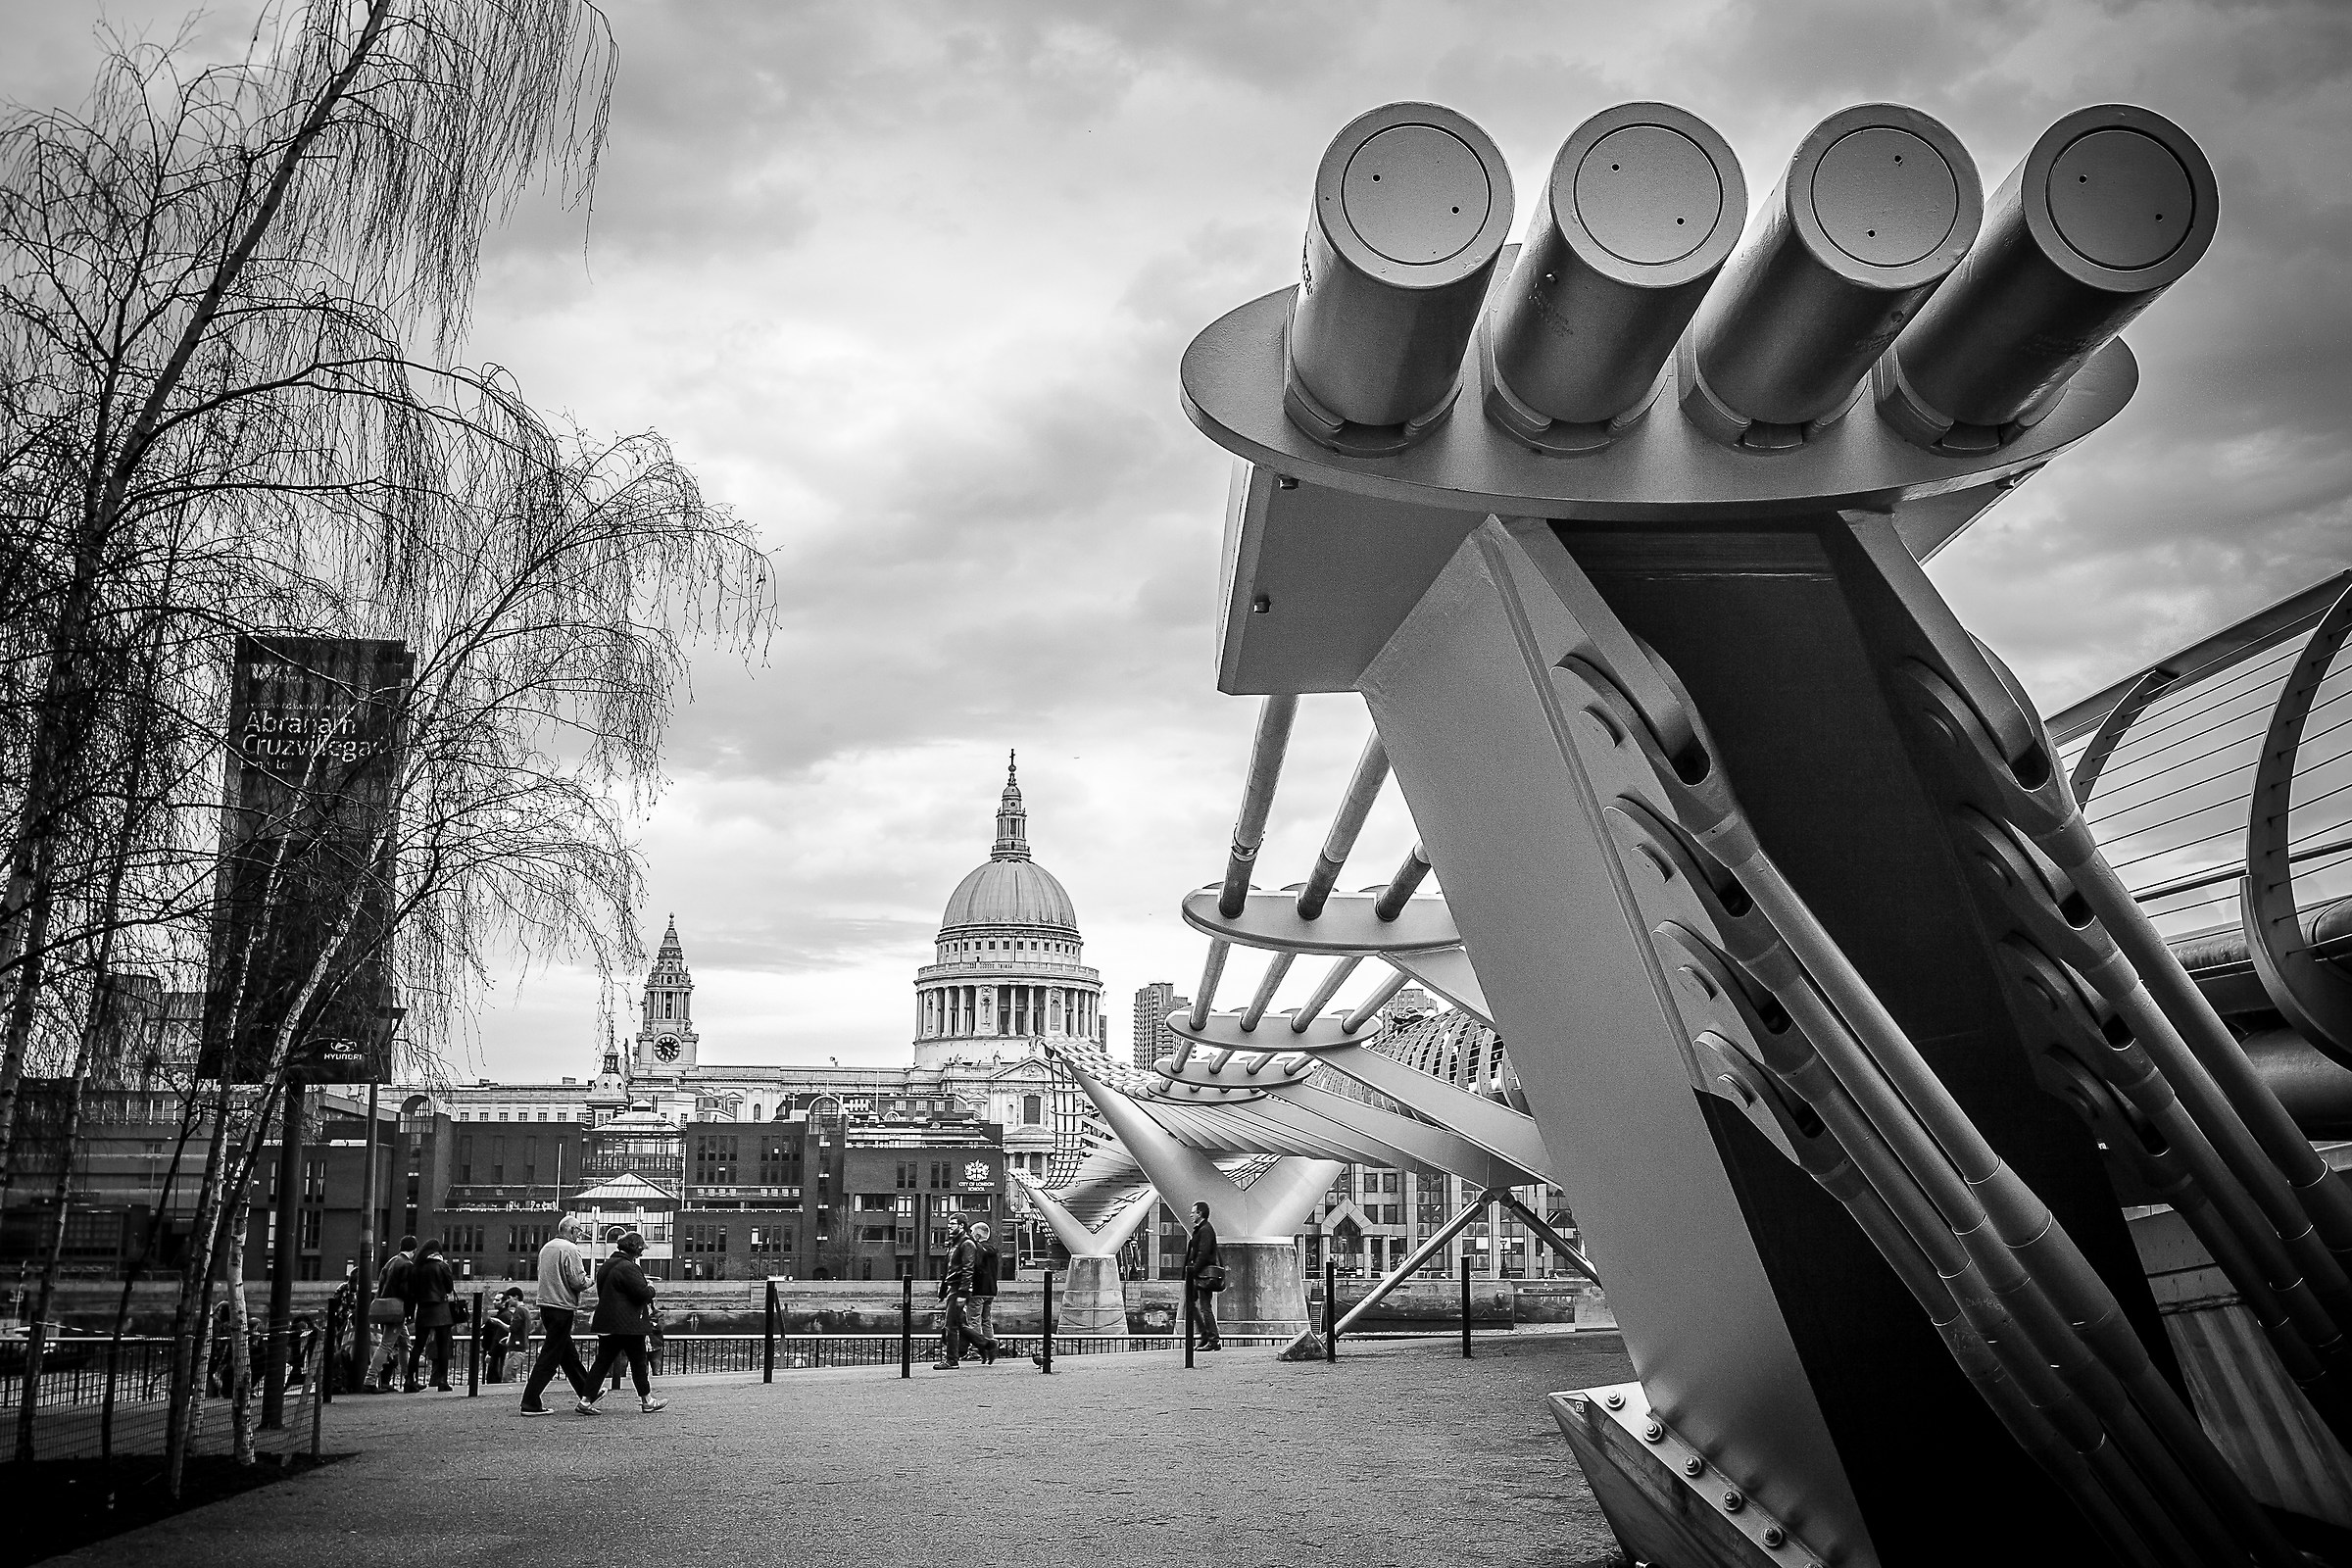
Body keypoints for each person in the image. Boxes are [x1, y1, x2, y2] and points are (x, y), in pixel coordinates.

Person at [578, 1230, 665, 1414]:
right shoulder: (629, 1267)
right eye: (641, 1249)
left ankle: (585, 1401)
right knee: (639, 1362)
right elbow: (641, 1293)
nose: (642, 1253)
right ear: (635, 1249)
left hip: (607, 1322)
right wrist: (650, 1287)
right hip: (628, 1325)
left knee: (602, 1362)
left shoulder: (606, 1265)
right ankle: (647, 1400)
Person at [520, 1214, 595, 1416]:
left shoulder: (547, 1248)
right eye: (579, 1231)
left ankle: (588, 1392)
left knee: (567, 1354)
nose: (580, 1235)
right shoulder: (570, 1249)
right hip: (562, 1306)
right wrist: (590, 1281)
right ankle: (530, 1402)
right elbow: (577, 1281)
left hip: (546, 1305)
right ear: (571, 1230)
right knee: (550, 1355)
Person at [933, 1214, 992, 1368]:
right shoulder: (955, 1243)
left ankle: (952, 1360)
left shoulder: (966, 1244)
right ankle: (987, 1345)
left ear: (962, 1225)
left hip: (958, 1289)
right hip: (954, 1287)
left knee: (950, 1325)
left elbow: (968, 1269)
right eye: (949, 1223)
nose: (949, 1226)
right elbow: (948, 1269)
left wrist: (963, 1293)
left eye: (953, 1224)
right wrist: (942, 1291)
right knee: (960, 1324)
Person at [365, 1235, 417, 1393]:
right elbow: (407, 1292)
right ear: (414, 1250)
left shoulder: (391, 1262)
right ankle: (370, 1380)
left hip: (383, 1306)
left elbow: (381, 1286)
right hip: (396, 1310)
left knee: (404, 1342)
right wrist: (409, 1312)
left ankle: (409, 1378)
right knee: (386, 1345)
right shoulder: (407, 1265)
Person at [404, 1238, 458, 1391]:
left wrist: (409, 1312)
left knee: (418, 1346)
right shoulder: (442, 1266)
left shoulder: (417, 1267)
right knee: (442, 1347)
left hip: (423, 1310)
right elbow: (448, 1288)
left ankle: (409, 1380)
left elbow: (412, 1292)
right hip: (441, 1310)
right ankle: (443, 1381)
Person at [1185, 1200, 1223, 1351]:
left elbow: (1203, 1253)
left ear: (1200, 1213)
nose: (1190, 1214)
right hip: (1199, 1274)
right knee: (1193, 1304)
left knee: (1205, 1307)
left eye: (1193, 1212)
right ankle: (1206, 1335)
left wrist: (1193, 1270)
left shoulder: (1205, 1230)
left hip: (1202, 1275)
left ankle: (1212, 1339)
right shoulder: (1203, 1229)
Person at [968, 1221, 1003, 1352]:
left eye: (971, 1232)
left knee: (973, 1320)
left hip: (977, 1290)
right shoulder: (992, 1250)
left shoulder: (976, 1249)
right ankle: (990, 1347)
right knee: (986, 1320)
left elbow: (973, 1267)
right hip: (991, 1290)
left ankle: (977, 1349)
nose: (970, 1235)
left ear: (977, 1235)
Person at [484, 1287, 530, 1383]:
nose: (508, 1301)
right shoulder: (525, 1310)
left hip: (516, 1348)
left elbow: (512, 1328)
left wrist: (498, 1322)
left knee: (508, 1377)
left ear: (516, 1297)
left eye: (509, 1298)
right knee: (508, 1375)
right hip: (518, 1346)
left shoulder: (519, 1311)